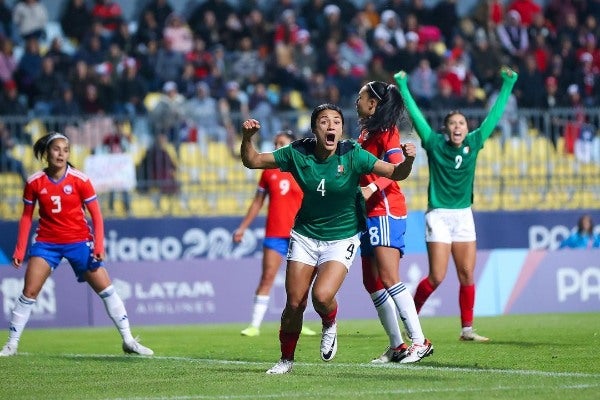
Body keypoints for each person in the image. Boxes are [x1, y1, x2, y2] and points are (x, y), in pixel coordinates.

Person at [240, 103, 416, 374]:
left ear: (341, 129)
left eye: (336, 121)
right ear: (315, 129)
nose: (331, 125)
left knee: (321, 297)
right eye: (324, 121)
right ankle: (286, 360)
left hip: (342, 237)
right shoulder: (298, 152)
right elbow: (252, 160)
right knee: (294, 303)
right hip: (305, 236)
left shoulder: (352, 154)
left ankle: (329, 322)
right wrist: (247, 138)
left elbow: (396, 174)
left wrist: (409, 160)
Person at [0, 132, 153, 357]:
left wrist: (99, 246)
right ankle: (11, 344)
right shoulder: (34, 182)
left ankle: (129, 340)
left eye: (65, 150)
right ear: (47, 152)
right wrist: (20, 248)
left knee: (107, 290)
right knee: (29, 292)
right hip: (47, 244)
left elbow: (97, 215)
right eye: (56, 149)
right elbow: (25, 217)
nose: (61, 154)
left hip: (79, 242)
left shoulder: (80, 180)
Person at [395, 66, 518, 342]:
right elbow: (416, 117)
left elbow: (494, 116)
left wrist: (507, 85)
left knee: (466, 273)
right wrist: (403, 87)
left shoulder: (475, 142)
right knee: (437, 277)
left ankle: (467, 329)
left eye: (461, 123)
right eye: (453, 124)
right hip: (438, 214)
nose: (458, 127)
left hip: (463, 215)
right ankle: (411, 319)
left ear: (466, 128)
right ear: (446, 129)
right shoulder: (434, 143)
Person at [355, 80, 433, 364]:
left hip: (385, 209)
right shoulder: (366, 132)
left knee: (388, 277)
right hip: (367, 214)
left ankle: (419, 341)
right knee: (371, 281)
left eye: (361, 96)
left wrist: (371, 189)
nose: (357, 101)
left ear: (373, 103)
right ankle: (397, 345)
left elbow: (398, 170)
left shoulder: (388, 132)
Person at [233, 131, 315, 338]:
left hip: (301, 233)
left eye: (282, 143)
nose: (278, 146)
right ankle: (254, 325)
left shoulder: (303, 167)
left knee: (300, 283)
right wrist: (243, 227)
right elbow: (257, 202)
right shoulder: (268, 171)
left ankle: (299, 321)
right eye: (275, 143)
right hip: (275, 233)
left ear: (291, 145)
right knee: (268, 276)